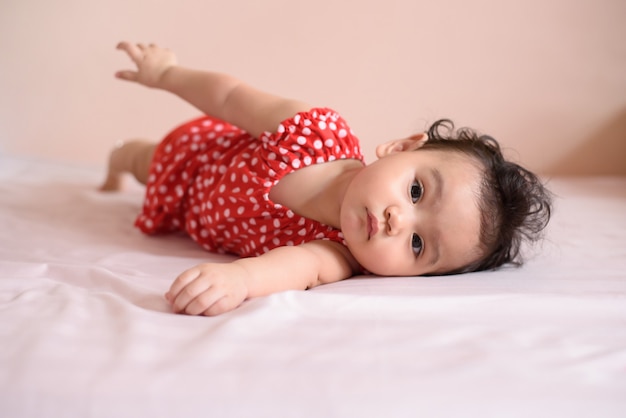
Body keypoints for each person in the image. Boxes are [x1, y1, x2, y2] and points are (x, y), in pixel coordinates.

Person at [102, 41, 552, 316]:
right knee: (145, 161)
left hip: (189, 215)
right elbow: (231, 97)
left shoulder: (337, 252)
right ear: (401, 148)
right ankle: (120, 157)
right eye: (416, 191)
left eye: (418, 246)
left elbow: (283, 270)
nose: (399, 222)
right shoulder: (313, 131)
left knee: (156, 187)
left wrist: (236, 282)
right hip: (194, 161)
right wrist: (165, 74)